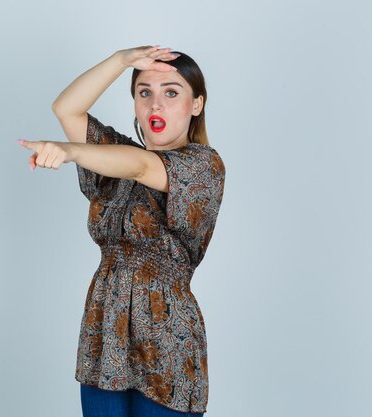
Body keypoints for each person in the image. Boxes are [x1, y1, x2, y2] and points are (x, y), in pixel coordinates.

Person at [17, 45, 225, 417]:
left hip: (167, 345)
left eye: (171, 92)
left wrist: (72, 151)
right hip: (105, 334)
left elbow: (141, 168)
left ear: (197, 104)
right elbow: (66, 109)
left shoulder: (204, 166)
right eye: (144, 92)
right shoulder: (113, 158)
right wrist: (120, 60)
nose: (155, 106)